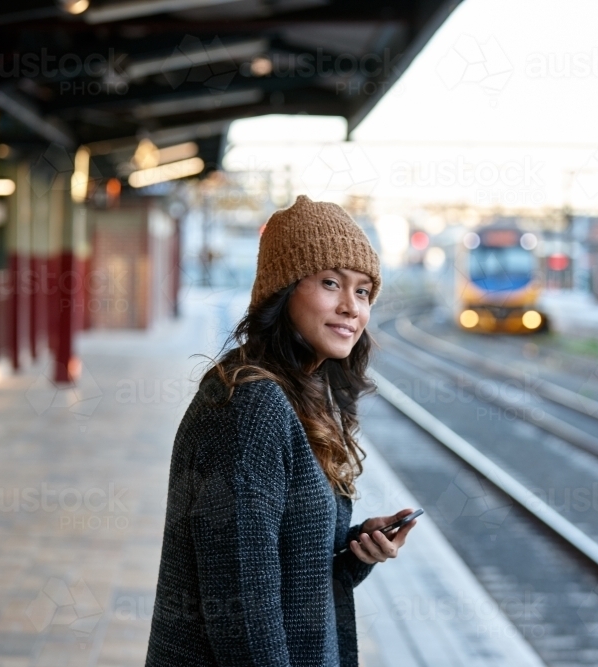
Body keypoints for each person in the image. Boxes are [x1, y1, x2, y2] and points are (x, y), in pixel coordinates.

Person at [146, 195, 417, 667]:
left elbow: (282, 574)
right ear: (283, 290)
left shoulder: (299, 393)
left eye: (363, 291)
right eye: (330, 283)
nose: (351, 307)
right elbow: (243, 621)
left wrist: (355, 555)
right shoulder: (251, 407)